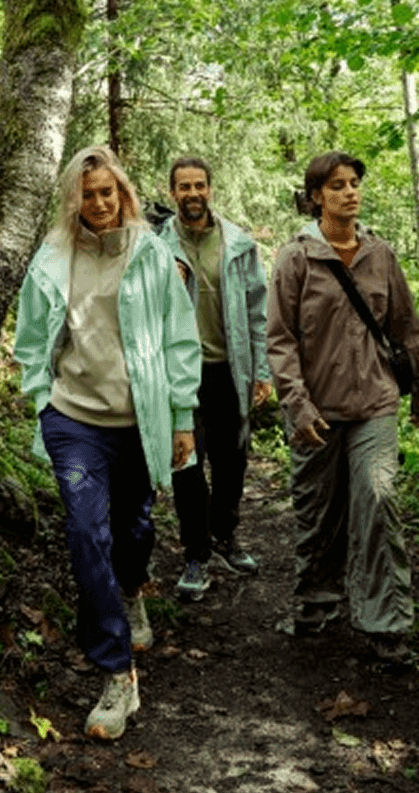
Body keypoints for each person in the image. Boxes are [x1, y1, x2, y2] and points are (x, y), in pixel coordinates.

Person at [12, 144, 200, 739]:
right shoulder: (53, 256)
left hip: (139, 420)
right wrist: (41, 401)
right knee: (84, 532)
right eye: (87, 194)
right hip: (73, 420)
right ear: (73, 200)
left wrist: (182, 417)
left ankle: (132, 586)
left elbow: (179, 339)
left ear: (123, 194)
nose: (98, 203)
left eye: (106, 192)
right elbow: (30, 336)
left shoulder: (151, 254)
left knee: (134, 527)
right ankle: (117, 672)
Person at [265, 151, 419, 663]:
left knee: (379, 499)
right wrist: (298, 405)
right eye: (337, 185)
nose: (349, 192)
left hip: (375, 403)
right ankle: (317, 602)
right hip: (316, 410)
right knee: (319, 513)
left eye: (354, 183)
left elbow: (406, 327)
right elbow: (280, 340)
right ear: (316, 196)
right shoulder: (296, 258)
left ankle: (386, 623)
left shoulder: (380, 254)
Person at [156, 156, 271, 602]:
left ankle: (225, 535)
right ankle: (195, 553)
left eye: (199, 185)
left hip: (230, 369)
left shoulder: (238, 244)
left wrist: (262, 371)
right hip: (180, 374)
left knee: (232, 462)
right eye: (184, 187)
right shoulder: (157, 246)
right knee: (186, 464)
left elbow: (258, 312)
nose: (192, 194)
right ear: (172, 193)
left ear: (210, 189)